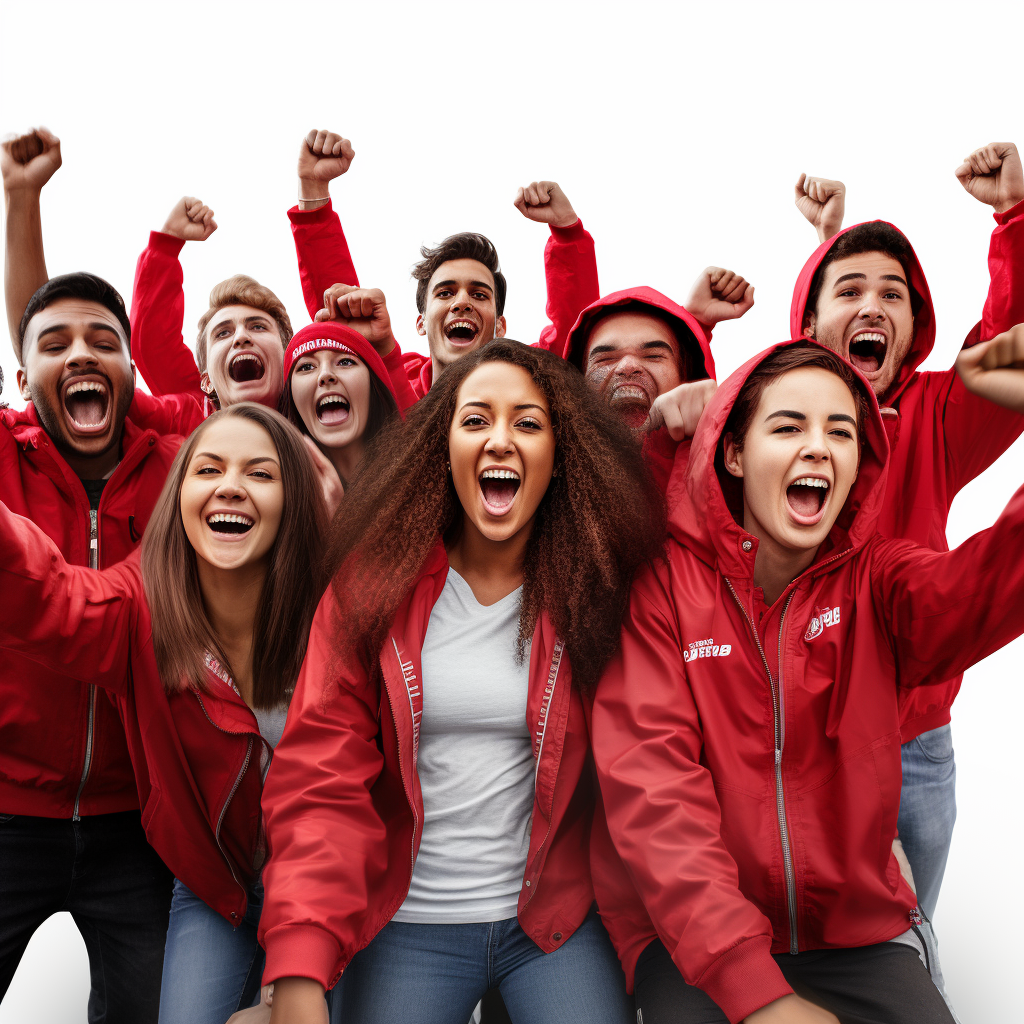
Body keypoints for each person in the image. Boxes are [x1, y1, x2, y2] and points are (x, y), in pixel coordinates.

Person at [592, 337, 1024, 1024]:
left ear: (859, 463)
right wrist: (757, 996)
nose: (819, 447)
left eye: (841, 432)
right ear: (733, 453)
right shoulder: (662, 590)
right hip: (692, 941)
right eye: (789, 426)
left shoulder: (879, 581)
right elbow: (656, 798)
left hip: (856, 936)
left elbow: (988, 587)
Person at [257, 340, 663, 1024]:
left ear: (561, 456)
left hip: (550, 923)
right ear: (441, 447)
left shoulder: (599, 590)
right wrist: (298, 965)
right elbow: (320, 777)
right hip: (409, 922)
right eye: (475, 420)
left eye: (528, 424)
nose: (500, 439)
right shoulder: (371, 587)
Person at [0, 402, 332, 1024]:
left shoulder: (338, 612)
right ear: (178, 500)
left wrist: (281, 990)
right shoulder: (140, 603)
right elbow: (48, 595)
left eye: (259, 474)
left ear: (297, 501)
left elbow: (342, 817)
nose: (229, 485)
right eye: (207, 469)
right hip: (211, 887)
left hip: (334, 891)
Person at [791, 141, 1024, 922]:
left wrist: (1014, 217)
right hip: (798, 740)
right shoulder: (773, 424)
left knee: (906, 939)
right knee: (791, 940)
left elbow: (1010, 344)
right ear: (811, 320)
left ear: (915, 324)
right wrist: (829, 239)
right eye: (849, 290)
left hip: (915, 747)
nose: (872, 307)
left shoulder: (934, 415)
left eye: (894, 296)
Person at [0, 268, 182, 1021]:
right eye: (55, 343)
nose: (81, 354)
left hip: (136, 825)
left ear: (131, 373)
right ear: (22, 376)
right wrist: (20, 199)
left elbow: (113, 620)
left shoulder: (182, 472)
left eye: (103, 341)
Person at [292, 129, 600, 401]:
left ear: (501, 326)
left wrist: (568, 233)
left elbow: (571, 343)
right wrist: (314, 193)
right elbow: (346, 318)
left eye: (480, 294)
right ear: (421, 322)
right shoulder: (393, 376)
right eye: (445, 293)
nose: (462, 302)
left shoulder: (528, 386)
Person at [277, 321, 400, 486]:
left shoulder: (423, 475)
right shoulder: (280, 494)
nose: (325, 374)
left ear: (373, 386)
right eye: (306, 366)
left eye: (345, 362)